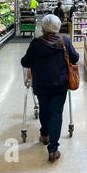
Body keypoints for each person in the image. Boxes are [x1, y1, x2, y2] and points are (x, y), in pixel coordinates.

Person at [21, 15, 80, 162]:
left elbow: (25, 61)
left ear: (43, 27)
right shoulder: (64, 41)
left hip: (41, 85)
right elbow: (75, 58)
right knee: (56, 113)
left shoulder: (35, 43)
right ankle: (53, 149)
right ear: (58, 27)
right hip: (60, 85)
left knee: (44, 109)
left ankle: (45, 135)